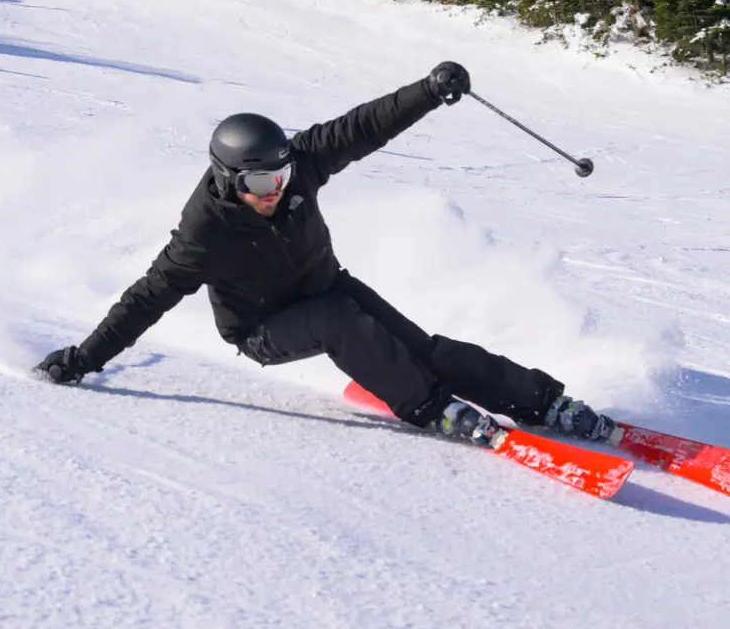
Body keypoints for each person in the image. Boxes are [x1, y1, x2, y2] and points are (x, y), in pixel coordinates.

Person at [33, 63, 618, 447]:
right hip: (262, 328)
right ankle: (431, 407)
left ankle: (544, 401)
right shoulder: (202, 235)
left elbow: (360, 127)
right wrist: (84, 359)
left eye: (284, 176)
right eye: (262, 185)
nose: (278, 192)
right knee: (344, 324)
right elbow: (145, 299)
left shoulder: (295, 170)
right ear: (229, 179)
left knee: (425, 348)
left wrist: (428, 91)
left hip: (325, 287)